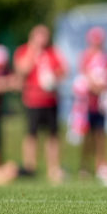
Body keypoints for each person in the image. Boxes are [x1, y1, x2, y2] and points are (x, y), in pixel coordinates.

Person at [13, 25, 67, 184]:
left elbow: (63, 71)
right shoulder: (24, 50)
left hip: (50, 99)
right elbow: (22, 70)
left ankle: (53, 169)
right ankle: (30, 167)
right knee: (31, 134)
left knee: (53, 135)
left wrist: (53, 78)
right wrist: (33, 51)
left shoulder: (52, 52)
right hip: (33, 100)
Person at [76, 27, 107, 186]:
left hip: (101, 103)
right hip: (87, 103)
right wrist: (98, 87)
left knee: (101, 134)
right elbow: (85, 78)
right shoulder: (86, 57)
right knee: (87, 135)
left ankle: (101, 165)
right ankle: (85, 166)